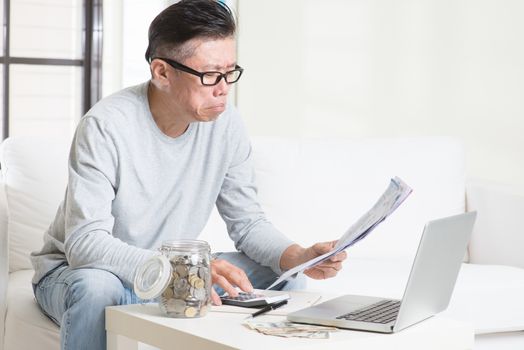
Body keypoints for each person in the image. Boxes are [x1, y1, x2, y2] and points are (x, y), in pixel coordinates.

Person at [30, 1, 347, 349]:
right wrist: (187, 270)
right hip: (88, 272)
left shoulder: (226, 123)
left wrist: (299, 256)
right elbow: (85, 244)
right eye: (210, 75)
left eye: (230, 72)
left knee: (284, 276)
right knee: (97, 289)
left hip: (177, 271)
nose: (224, 87)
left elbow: (248, 223)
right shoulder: (105, 126)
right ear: (162, 72)